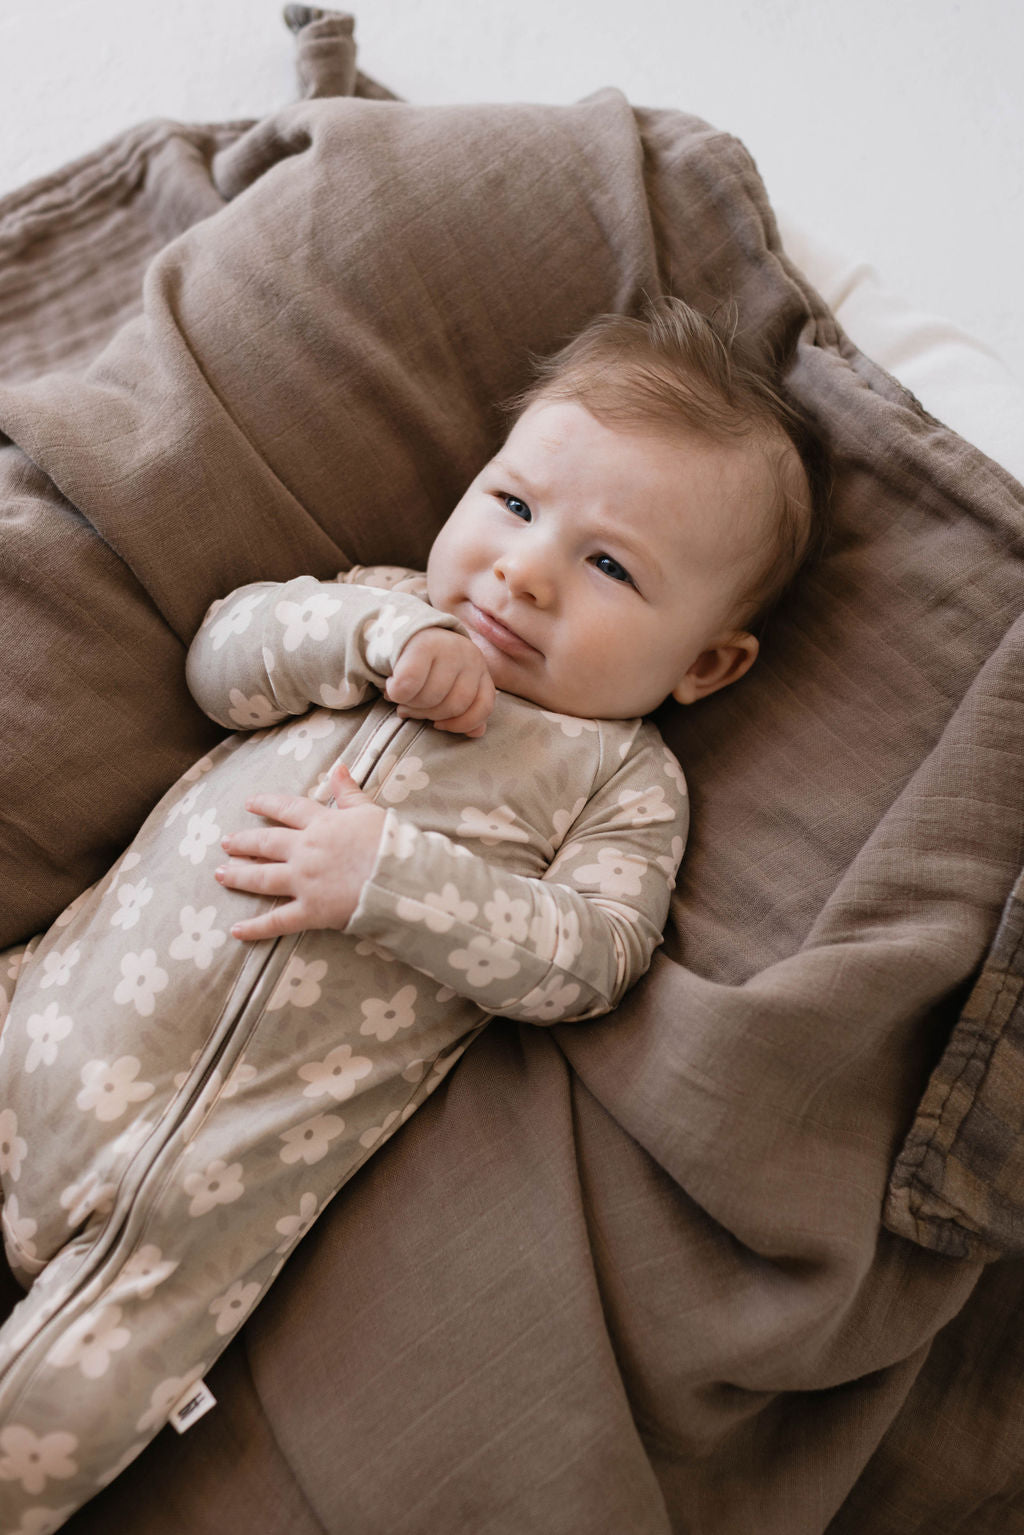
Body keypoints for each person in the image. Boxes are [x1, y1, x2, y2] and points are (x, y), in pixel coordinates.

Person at [0, 297, 826, 1530]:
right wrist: (372, 631)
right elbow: (223, 658)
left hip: (184, 1219)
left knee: (44, 1427)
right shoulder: (381, 603)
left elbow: (591, 956)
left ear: (705, 663)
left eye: (607, 565)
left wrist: (389, 874)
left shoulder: (618, 779)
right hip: (39, 1016)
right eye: (512, 503)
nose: (523, 571)